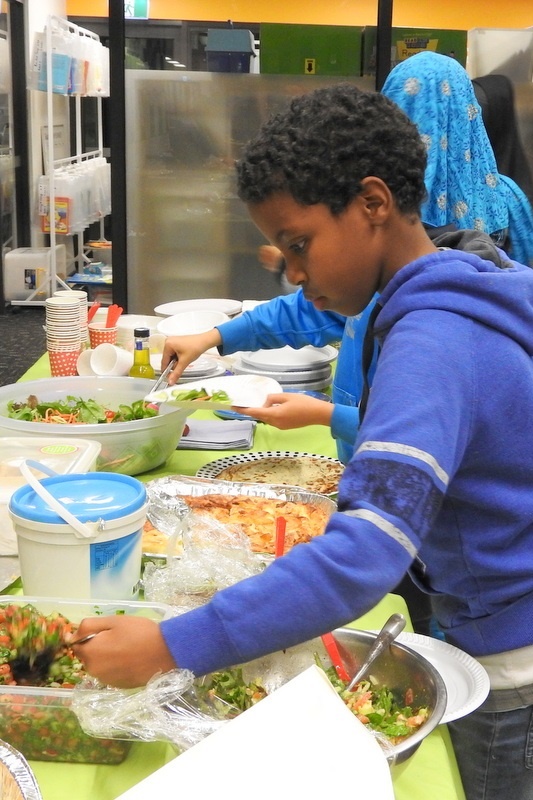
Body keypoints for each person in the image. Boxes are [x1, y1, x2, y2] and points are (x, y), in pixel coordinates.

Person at [75, 84, 533, 799]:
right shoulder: (427, 289)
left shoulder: (434, 341)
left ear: (373, 204)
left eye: (299, 244)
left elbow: (366, 552)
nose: (292, 272)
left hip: (513, 660)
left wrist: (175, 646)